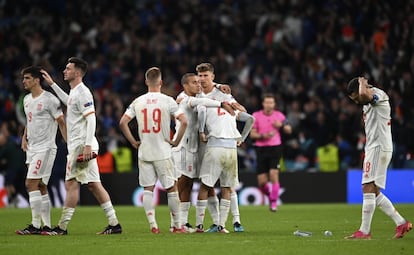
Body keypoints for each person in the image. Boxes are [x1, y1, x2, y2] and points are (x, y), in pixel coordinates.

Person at [40, 57, 122, 235]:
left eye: (68, 68)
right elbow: (69, 100)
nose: (65, 71)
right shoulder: (76, 93)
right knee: (94, 185)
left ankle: (62, 227)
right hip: (82, 144)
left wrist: (86, 146)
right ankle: (114, 224)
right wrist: (53, 84)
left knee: (71, 184)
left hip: (81, 146)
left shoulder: (83, 92)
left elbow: (91, 118)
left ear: (77, 73)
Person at [119, 67, 188, 234]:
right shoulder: (167, 100)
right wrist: (175, 141)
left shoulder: (138, 101)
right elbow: (184, 121)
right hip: (163, 151)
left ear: (145, 82)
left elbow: (122, 122)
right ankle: (177, 226)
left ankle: (153, 226)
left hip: (145, 150)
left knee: (147, 189)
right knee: (171, 188)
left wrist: (133, 141)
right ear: (161, 82)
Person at [345, 77, 412, 239]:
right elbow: (362, 97)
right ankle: (401, 222)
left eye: (355, 97)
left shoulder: (377, 95)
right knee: (373, 191)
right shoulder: (367, 100)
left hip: (379, 147)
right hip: (373, 147)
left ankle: (365, 231)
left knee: (367, 187)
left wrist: (362, 83)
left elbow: (363, 95)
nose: (356, 101)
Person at [195, 62, 254, 233]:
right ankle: (225, 223)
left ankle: (221, 224)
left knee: (210, 185)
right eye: (200, 75)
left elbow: (243, 112)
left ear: (212, 76)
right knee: (225, 186)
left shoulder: (223, 93)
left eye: (206, 75)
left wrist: (240, 137)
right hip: (221, 144)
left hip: (216, 143)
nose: (202, 78)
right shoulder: (199, 92)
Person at [172, 73, 234, 233]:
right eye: (194, 82)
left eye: (199, 82)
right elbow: (203, 101)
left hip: (197, 146)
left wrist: (219, 85)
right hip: (184, 147)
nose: (198, 84)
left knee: (202, 183)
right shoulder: (184, 98)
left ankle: (187, 223)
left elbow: (208, 89)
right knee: (184, 181)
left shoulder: (197, 93)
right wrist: (221, 103)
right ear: (186, 85)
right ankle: (175, 222)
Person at [14, 66, 67, 235]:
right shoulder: (27, 99)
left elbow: (61, 121)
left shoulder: (50, 100)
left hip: (46, 148)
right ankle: (46, 226)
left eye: (27, 78)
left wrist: (68, 144)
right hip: (32, 147)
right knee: (42, 186)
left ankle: (35, 226)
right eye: (24, 78)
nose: (24, 81)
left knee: (30, 184)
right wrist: (24, 137)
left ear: (37, 80)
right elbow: (29, 122)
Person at [250, 93, 292, 212]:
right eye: (267, 102)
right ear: (263, 104)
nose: (269, 105)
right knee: (262, 182)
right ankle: (271, 197)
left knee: (274, 174)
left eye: (271, 102)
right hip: (261, 148)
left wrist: (282, 125)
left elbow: (289, 130)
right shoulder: (256, 116)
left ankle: (273, 203)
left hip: (275, 147)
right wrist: (264, 136)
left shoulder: (279, 115)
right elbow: (252, 134)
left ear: (274, 104)